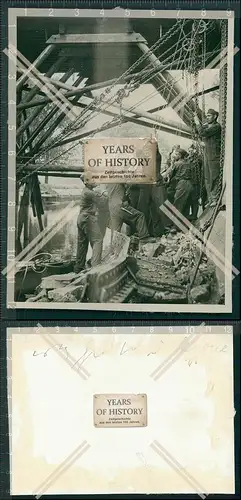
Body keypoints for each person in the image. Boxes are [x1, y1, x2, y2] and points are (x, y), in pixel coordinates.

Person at [74, 180, 104, 274]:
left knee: (82, 243)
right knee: (98, 240)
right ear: (87, 182)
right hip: (88, 218)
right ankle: (95, 268)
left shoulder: (86, 191)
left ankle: (79, 268)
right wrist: (102, 191)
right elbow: (103, 201)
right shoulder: (90, 193)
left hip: (81, 218)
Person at [194, 109, 221, 207]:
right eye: (207, 115)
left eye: (209, 116)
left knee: (214, 176)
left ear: (215, 116)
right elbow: (199, 131)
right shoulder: (207, 126)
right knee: (207, 177)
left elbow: (203, 133)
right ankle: (210, 199)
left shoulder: (216, 127)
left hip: (214, 154)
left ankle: (215, 198)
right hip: (207, 153)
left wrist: (197, 122)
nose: (207, 117)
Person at [168, 148, 194, 219]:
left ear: (179, 155)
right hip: (190, 184)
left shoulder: (177, 163)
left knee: (177, 205)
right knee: (186, 205)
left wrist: (172, 163)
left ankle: (175, 226)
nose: (175, 156)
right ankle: (184, 225)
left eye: (176, 154)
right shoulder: (188, 163)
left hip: (182, 184)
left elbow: (170, 175)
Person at [187, 143, 207, 220]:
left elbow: (202, 167)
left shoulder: (199, 158)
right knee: (190, 199)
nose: (190, 152)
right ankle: (192, 214)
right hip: (190, 182)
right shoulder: (188, 159)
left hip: (197, 182)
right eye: (189, 151)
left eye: (191, 151)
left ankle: (194, 214)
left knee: (195, 199)